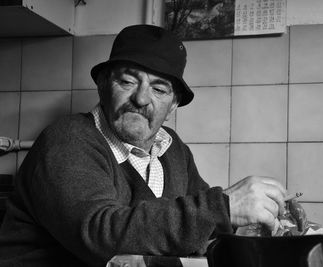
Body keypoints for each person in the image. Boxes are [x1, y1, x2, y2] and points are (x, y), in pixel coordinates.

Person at [0, 25, 287, 267]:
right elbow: (101, 235)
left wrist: (247, 223)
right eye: (127, 81)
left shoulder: (173, 149)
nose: (141, 98)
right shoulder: (67, 139)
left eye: (159, 89)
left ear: (173, 103)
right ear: (102, 83)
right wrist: (223, 207)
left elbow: (199, 227)